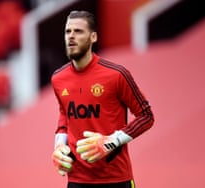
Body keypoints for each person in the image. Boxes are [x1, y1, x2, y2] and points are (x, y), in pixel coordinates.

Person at [51, 10, 154, 188]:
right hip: (77, 180)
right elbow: (64, 117)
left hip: (116, 179)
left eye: (78, 31)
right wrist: (59, 146)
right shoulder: (58, 79)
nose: (71, 37)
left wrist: (110, 143)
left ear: (93, 37)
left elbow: (146, 116)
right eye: (68, 31)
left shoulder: (117, 75)